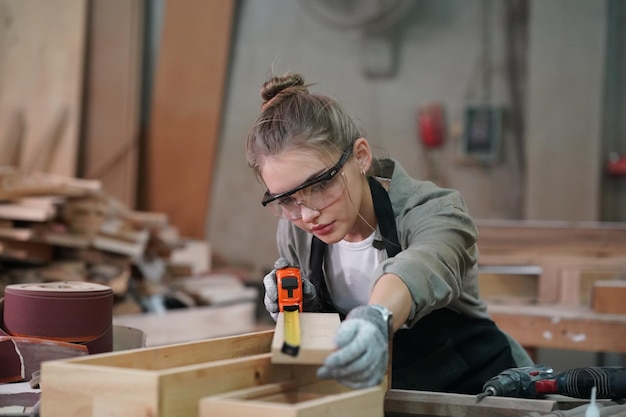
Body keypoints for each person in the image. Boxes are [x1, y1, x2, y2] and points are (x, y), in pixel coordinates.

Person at [245, 72, 533, 393]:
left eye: (321, 185)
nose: (308, 214)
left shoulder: (435, 212)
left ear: (361, 156)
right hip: (392, 398)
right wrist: (308, 311)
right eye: (286, 199)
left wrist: (376, 317)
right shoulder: (295, 232)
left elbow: (421, 265)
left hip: (485, 390)